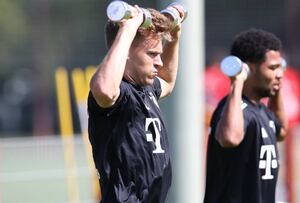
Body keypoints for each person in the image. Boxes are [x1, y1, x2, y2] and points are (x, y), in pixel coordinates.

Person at [88, 5, 184, 203]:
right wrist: (128, 29)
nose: (159, 62)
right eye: (152, 54)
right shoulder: (119, 92)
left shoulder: (146, 89)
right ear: (125, 51)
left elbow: (168, 82)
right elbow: (104, 89)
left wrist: (174, 38)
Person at [204, 28, 288, 203]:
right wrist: (237, 80)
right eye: (272, 68)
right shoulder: (234, 109)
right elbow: (230, 138)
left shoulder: (262, 111)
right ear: (247, 69)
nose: (279, 74)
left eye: (280, 67)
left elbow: (282, 130)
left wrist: (277, 86)